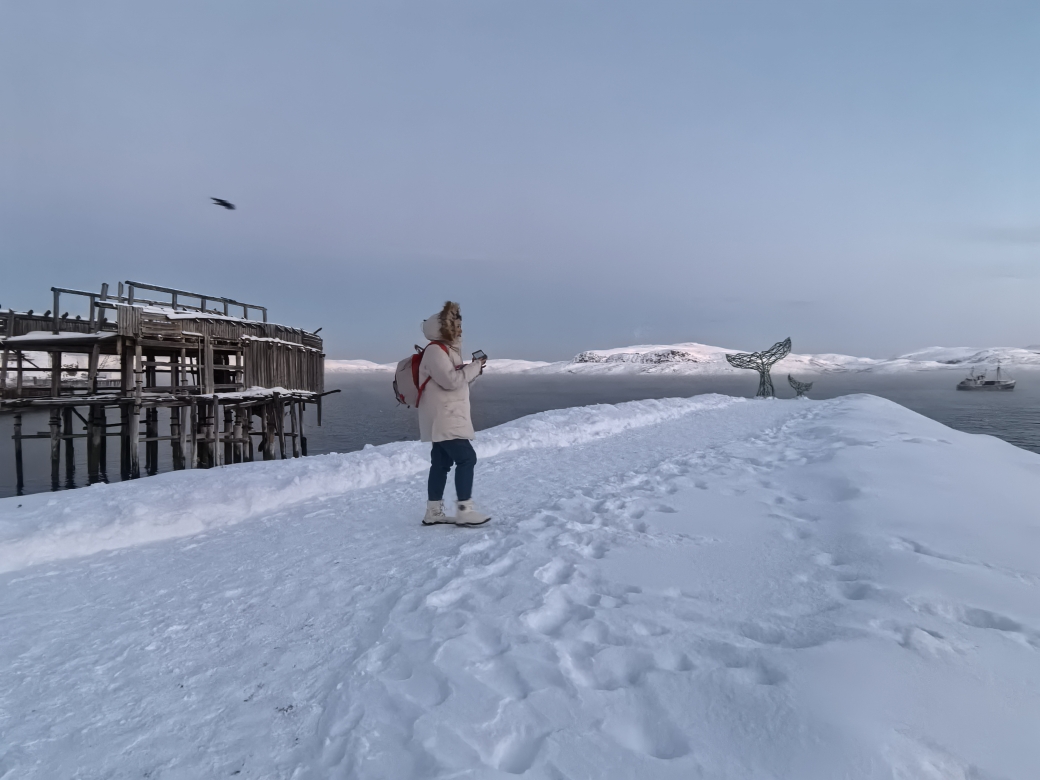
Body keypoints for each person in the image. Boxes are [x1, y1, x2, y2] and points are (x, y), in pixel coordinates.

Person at [417, 301, 490, 526]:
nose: (460, 329)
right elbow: (451, 382)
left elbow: (458, 383)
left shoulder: (447, 351)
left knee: (441, 463)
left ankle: (433, 512)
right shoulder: (434, 351)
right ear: (444, 328)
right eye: (456, 325)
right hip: (445, 416)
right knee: (467, 458)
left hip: (446, 414)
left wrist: (472, 371)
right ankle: (464, 511)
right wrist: (474, 367)